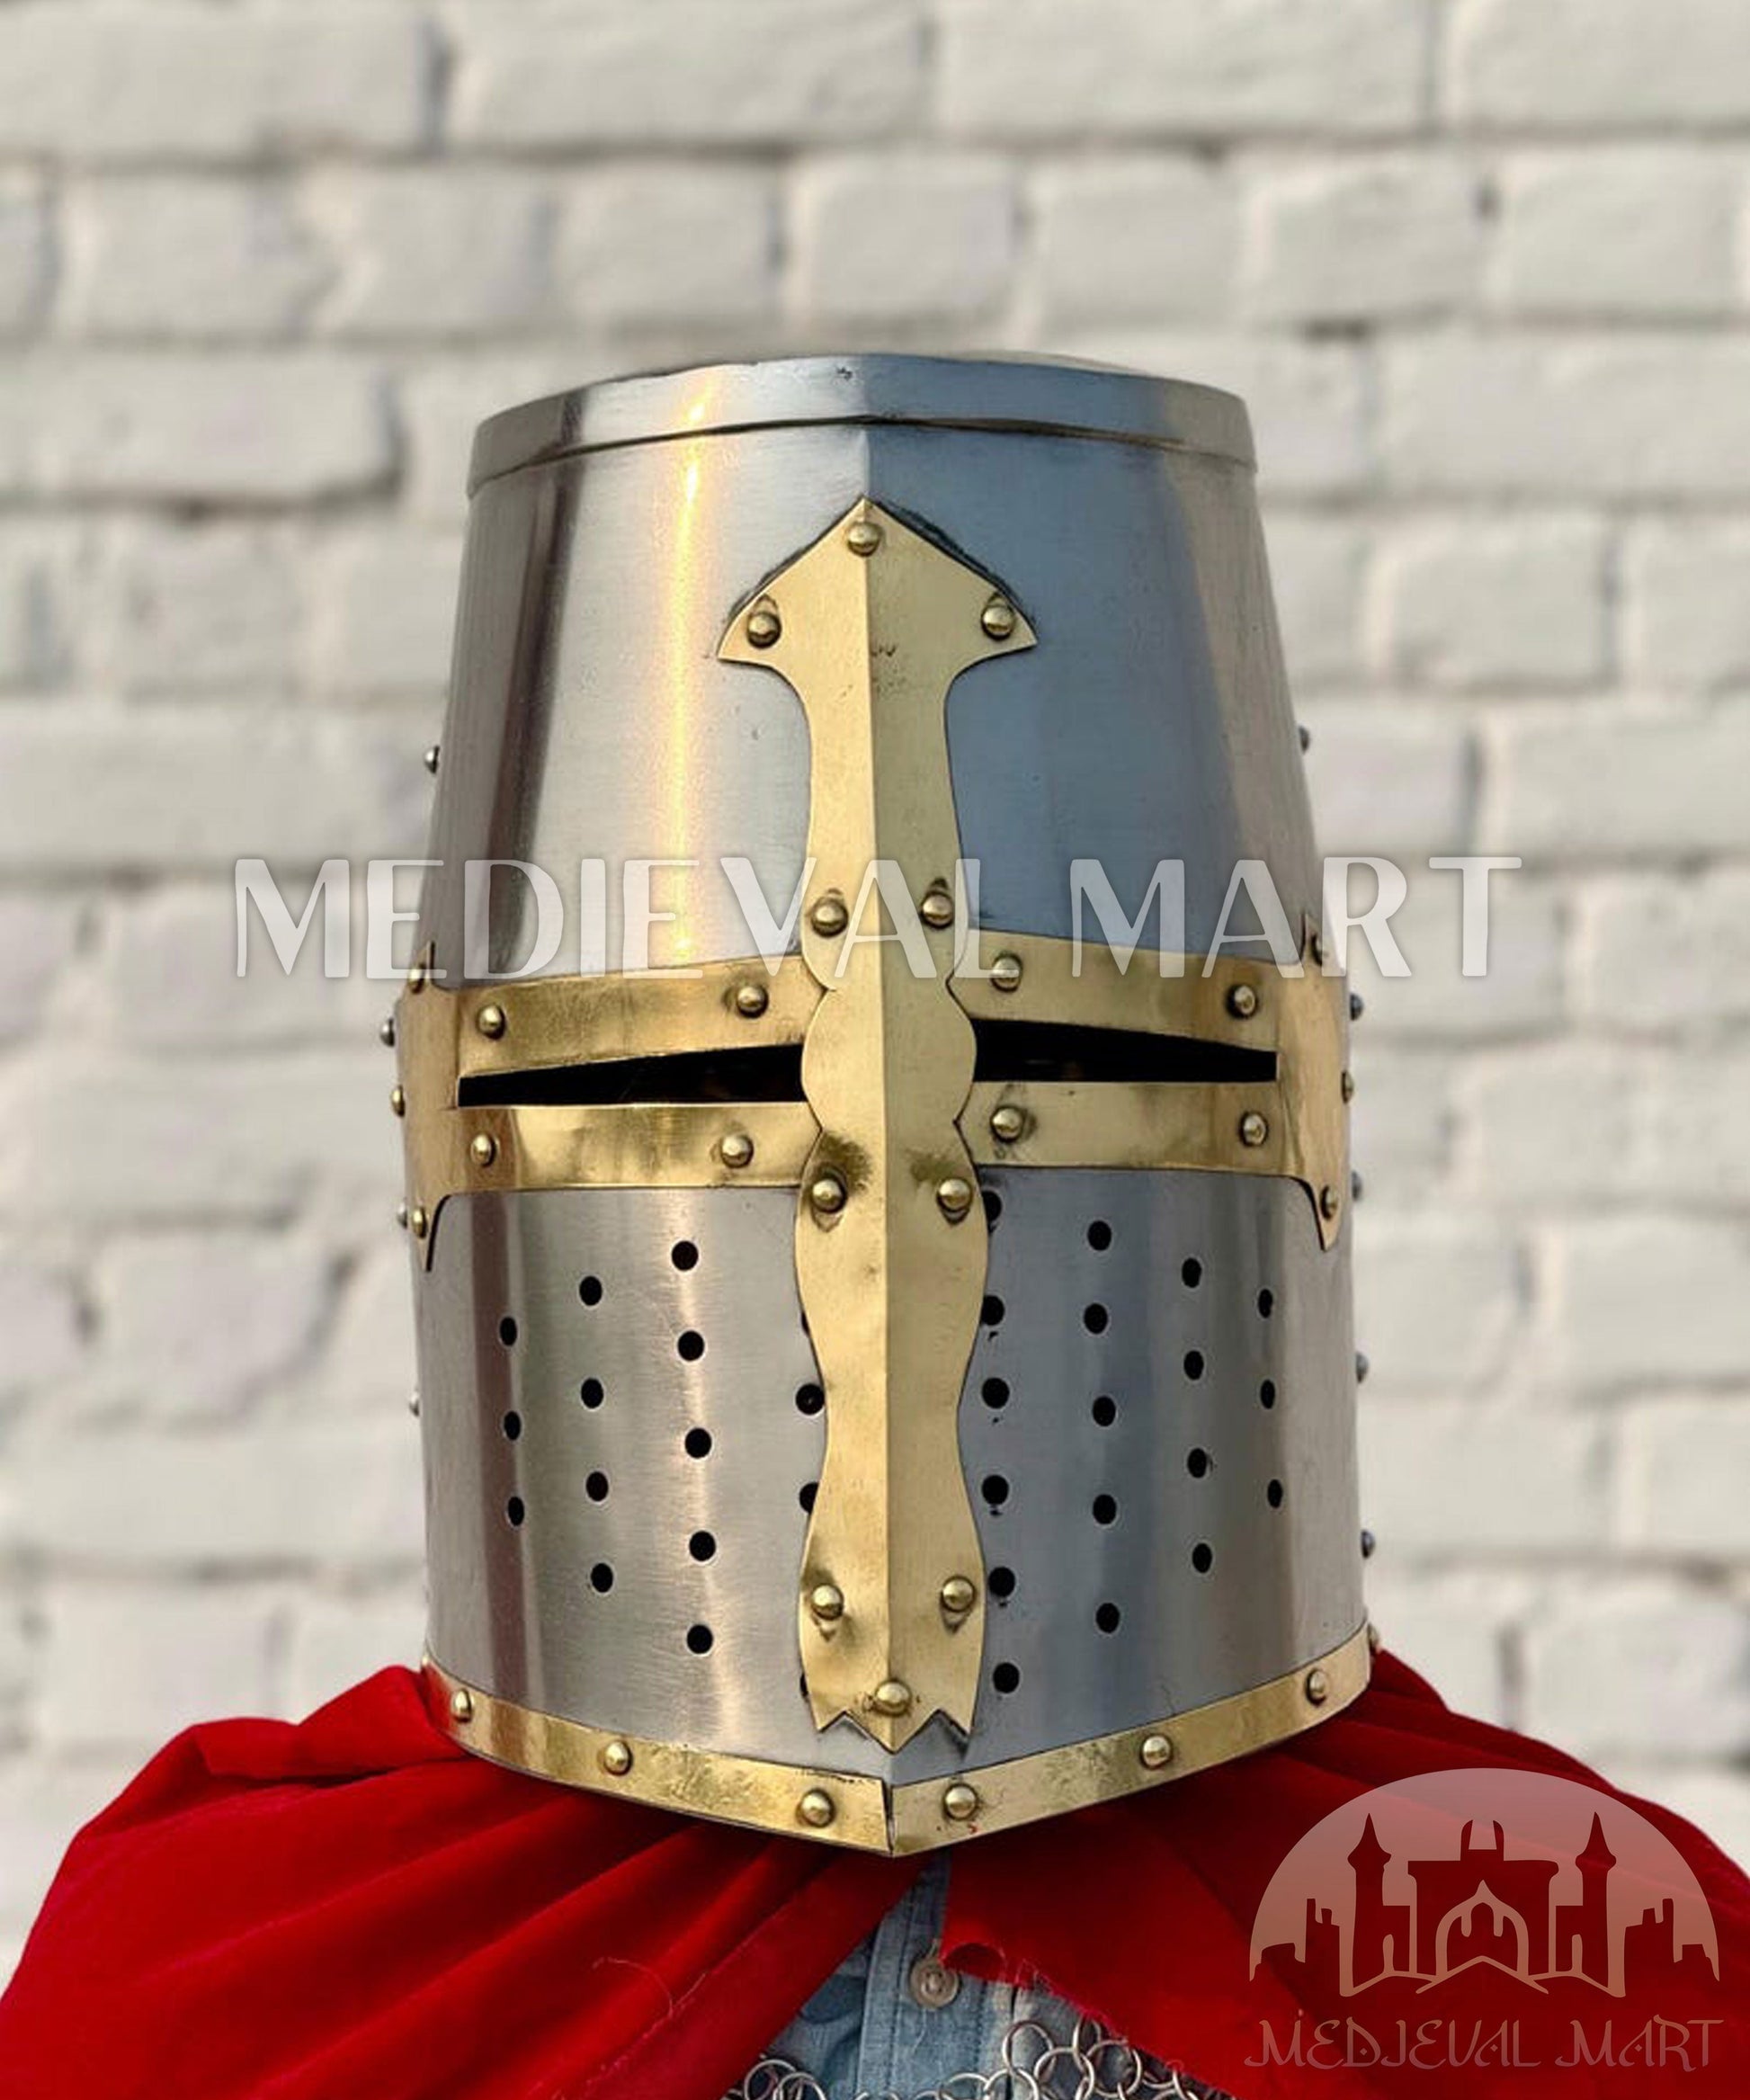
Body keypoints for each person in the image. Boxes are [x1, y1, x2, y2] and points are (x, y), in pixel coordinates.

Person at [3, 357, 1745, 2099]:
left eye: (1072, 1061)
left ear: (1295, 1102)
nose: (890, 1208)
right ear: (454, 1124)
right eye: (705, 1071)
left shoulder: (1563, 1982)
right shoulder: (229, 1992)